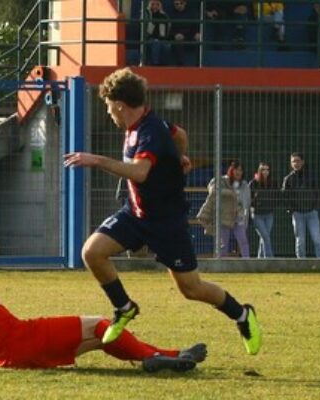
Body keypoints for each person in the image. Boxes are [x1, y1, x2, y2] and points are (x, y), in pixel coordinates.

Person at [62, 68, 261, 356]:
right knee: (92, 252)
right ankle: (124, 307)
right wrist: (179, 155)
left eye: (108, 107)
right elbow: (180, 133)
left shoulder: (149, 131)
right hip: (136, 214)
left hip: (167, 223)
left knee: (191, 288)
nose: (109, 113)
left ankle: (242, 315)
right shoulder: (146, 125)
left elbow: (140, 173)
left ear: (119, 104)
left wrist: (96, 160)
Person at [0, 227, 208, 372]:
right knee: (101, 324)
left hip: (16, 349)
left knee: (102, 338)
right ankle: (159, 356)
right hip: (24, 339)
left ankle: (170, 356)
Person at [196, 160, 251, 258]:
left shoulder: (244, 185)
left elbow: (246, 202)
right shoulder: (223, 181)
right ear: (231, 170)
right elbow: (212, 189)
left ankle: (247, 262)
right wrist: (230, 193)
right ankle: (221, 264)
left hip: (238, 217)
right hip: (224, 217)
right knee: (223, 245)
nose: (238, 172)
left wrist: (245, 217)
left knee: (243, 242)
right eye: (236, 169)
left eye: (240, 170)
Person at [281, 152, 320, 258]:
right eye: (293, 161)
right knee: (300, 241)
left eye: (298, 161)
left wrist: (315, 206)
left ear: (303, 162)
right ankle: (301, 264)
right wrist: (291, 209)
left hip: (312, 212)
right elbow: (284, 195)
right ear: (291, 163)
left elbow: (318, 191)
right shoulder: (288, 179)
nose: (296, 163)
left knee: (317, 239)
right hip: (297, 214)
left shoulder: (311, 176)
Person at [249, 162, 277, 258]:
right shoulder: (253, 183)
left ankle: (259, 259)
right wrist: (255, 203)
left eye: (267, 169)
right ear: (259, 171)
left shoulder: (273, 183)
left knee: (264, 238)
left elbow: (277, 197)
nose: (265, 172)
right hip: (257, 215)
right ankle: (269, 259)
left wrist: (272, 205)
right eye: (263, 169)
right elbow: (249, 198)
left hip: (269, 214)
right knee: (265, 237)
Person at [170, 0, 201, 66]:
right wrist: (175, 34)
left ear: (185, 3)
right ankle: (180, 64)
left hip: (189, 35)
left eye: (181, 3)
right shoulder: (171, 14)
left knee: (199, 38)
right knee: (178, 41)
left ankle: (199, 64)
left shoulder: (191, 13)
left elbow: (195, 26)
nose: (179, 5)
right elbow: (169, 29)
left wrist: (196, 33)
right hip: (177, 36)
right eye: (176, 4)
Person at [145, 0, 171, 66]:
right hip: (149, 38)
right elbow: (147, 32)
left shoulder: (164, 15)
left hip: (161, 38)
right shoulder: (146, 14)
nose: (155, 6)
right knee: (156, 43)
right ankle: (155, 64)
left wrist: (162, 38)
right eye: (153, 4)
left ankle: (164, 65)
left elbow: (166, 30)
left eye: (157, 4)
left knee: (167, 45)